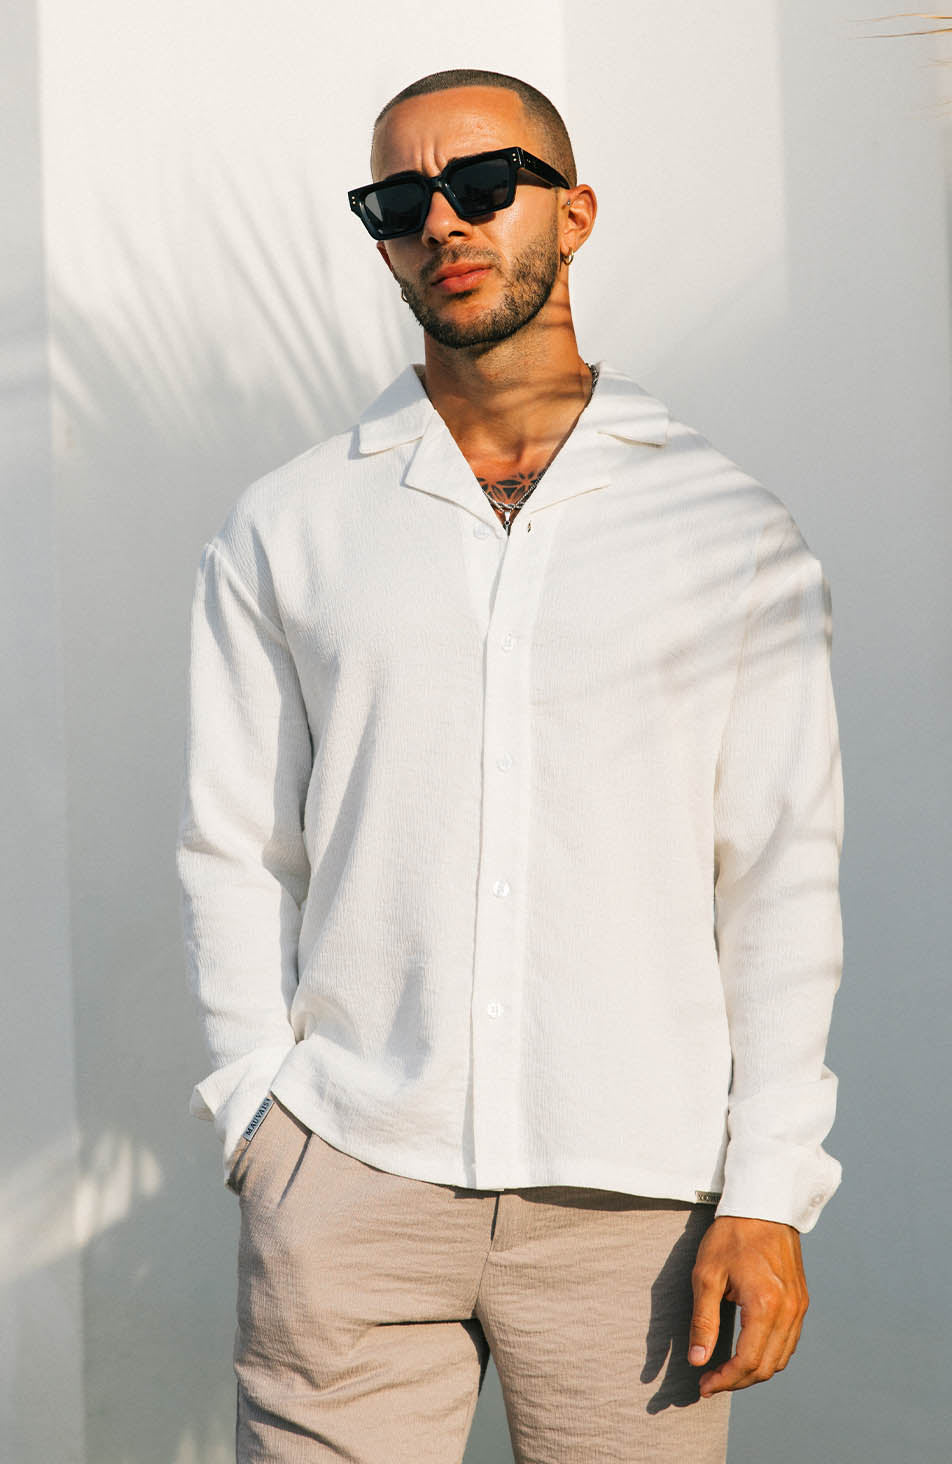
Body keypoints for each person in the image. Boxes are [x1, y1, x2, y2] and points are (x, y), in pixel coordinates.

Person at [176, 66, 845, 1464]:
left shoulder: (726, 528)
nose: (444, 222)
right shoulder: (290, 525)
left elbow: (780, 876)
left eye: (485, 184)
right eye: (399, 200)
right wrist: (259, 1119)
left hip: (639, 1204)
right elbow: (237, 845)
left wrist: (770, 1191)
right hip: (350, 1178)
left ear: (575, 213)